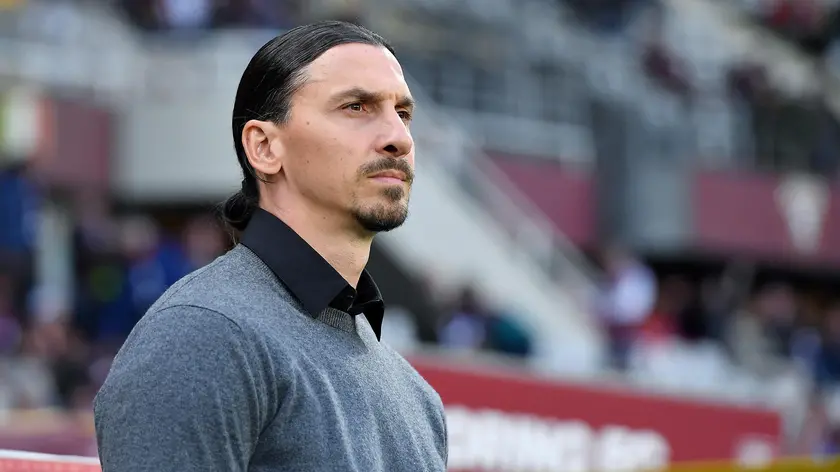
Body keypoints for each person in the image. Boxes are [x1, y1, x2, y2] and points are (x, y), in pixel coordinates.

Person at [93, 21, 448, 472]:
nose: (398, 137)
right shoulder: (206, 335)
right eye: (356, 106)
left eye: (403, 112)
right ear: (263, 147)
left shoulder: (417, 398)